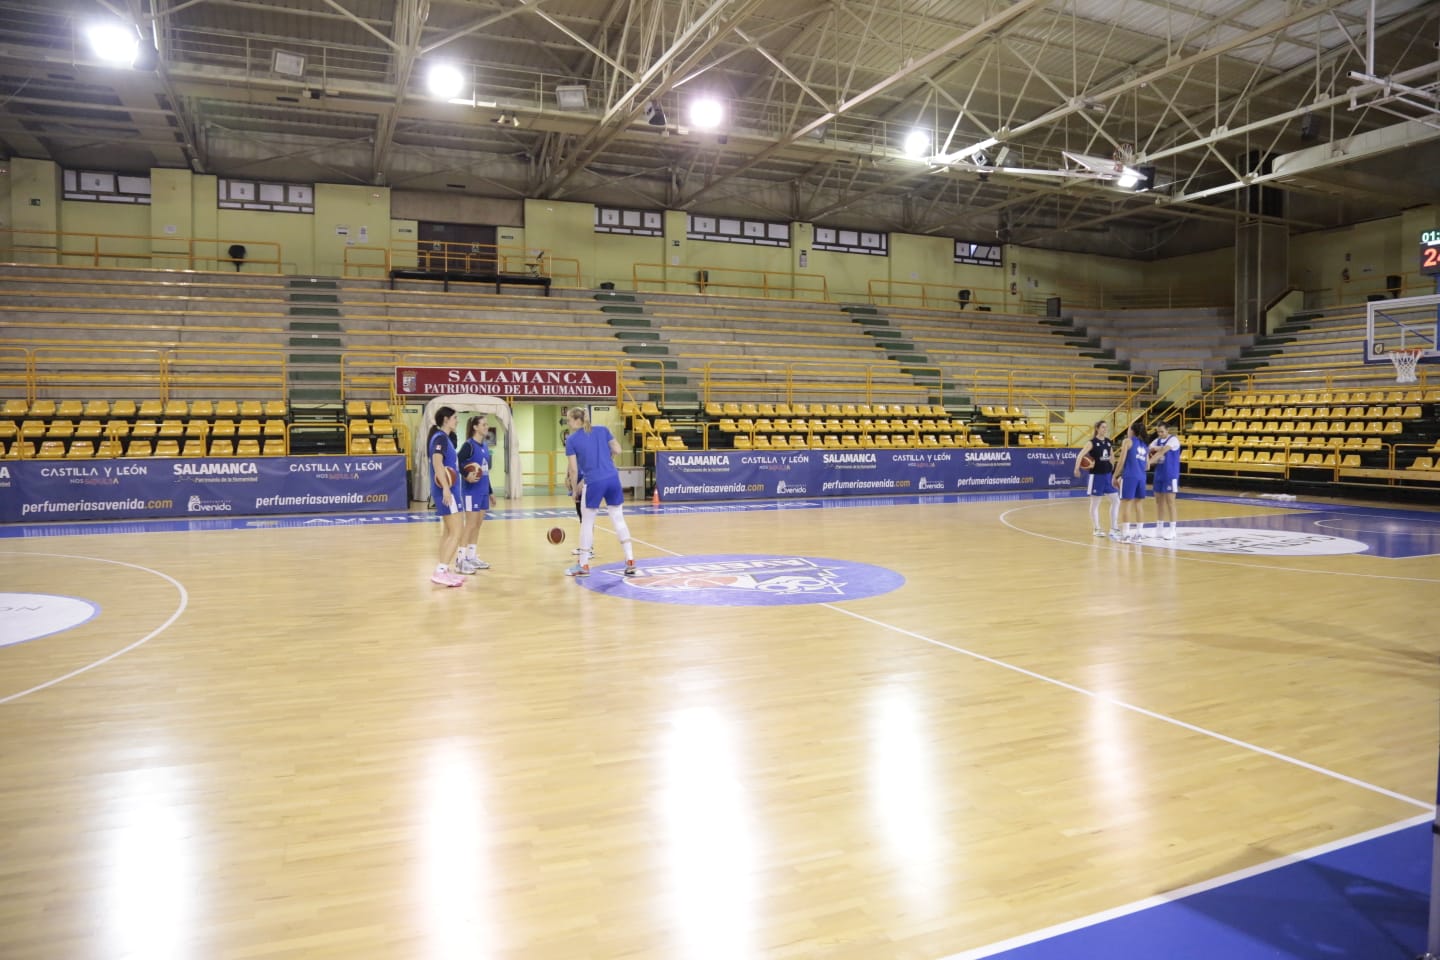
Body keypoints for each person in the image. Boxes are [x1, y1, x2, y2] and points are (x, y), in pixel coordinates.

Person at [563, 406, 636, 578]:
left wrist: (575, 490)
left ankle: (583, 565)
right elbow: (617, 450)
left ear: (575, 420)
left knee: (587, 523)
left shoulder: (572, 440)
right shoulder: (603, 430)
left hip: (594, 482)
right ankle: (630, 560)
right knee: (618, 519)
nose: (568, 423)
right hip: (612, 478)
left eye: (568, 420)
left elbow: (573, 470)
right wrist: (605, 461)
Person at [427, 406, 466, 586]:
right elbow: (437, 463)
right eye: (455, 418)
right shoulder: (440, 437)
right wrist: (445, 488)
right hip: (446, 490)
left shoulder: (445, 438)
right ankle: (440, 571)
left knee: (448, 532)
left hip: (449, 489)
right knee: (457, 532)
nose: (457, 420)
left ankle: (443, 568)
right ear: (446, 419)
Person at [454, 414, 493, 573]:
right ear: (475, 427)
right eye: (483, 424)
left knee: (477, 525)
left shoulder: (484, 446)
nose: (486, 427)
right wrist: (465, 474)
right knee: (469, 525)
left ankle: (471, 556)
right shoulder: (468, 446)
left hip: (483, 491)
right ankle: (460, 560)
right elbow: (455, 462)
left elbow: (484, 470)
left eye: (486, 424)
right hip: (471, 492)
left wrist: (490, 491)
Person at [1072, 419, 1119, 538]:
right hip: (1096, 476)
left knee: (1116, 500)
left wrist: (1112, 470)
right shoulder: (1091, 442)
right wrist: (1077, 469)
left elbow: (1112, 457)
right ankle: (1096, 528)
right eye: (1103, 427)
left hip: (1107, 476)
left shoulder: (1108, 442)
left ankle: (1114, 528)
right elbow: (1080, 455)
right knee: (1095, 504)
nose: (1105, 429)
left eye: (1106, 427)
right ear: (1097, 429)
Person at [1115, 420, 1150, 543]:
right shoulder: (1145, 445)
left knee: (1126, 504)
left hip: (1130, 476)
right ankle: (1139, 535)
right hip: (1141, 477)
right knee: (1139, 505)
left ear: (1132, 431)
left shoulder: (1127, 441)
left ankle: (1125, 535)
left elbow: (1121, 461)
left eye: (1128, 429)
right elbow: (1147, 466)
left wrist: (1115, 475)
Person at [1148, 422, 1182, 540]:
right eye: (1158, 432)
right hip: (1159, 474)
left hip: (1170, 474)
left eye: (1162, 431)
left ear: (1167, 430)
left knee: (1170, 502)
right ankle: (1159, 528)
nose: (1160, 434)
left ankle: (1173, 529)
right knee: (1158, 501)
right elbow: (1149, 448)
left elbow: (1163, 451)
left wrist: (1148, 463)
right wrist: (1156, 448)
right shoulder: (1157, 440)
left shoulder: (1174, 440)